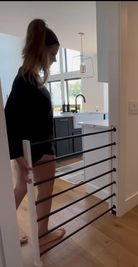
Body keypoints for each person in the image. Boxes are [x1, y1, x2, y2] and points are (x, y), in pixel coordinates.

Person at [4, 19, 65, 246]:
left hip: (31, 150)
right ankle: (42, 235)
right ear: (41, 51)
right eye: (52, 53)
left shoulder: (27, 78)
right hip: (38, 150)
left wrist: (20, 154)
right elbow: (9, 119)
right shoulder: (25, 80)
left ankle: (5, 234)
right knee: (45, 192)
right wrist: (19, 155)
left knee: (21, 188)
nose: (55, 59)